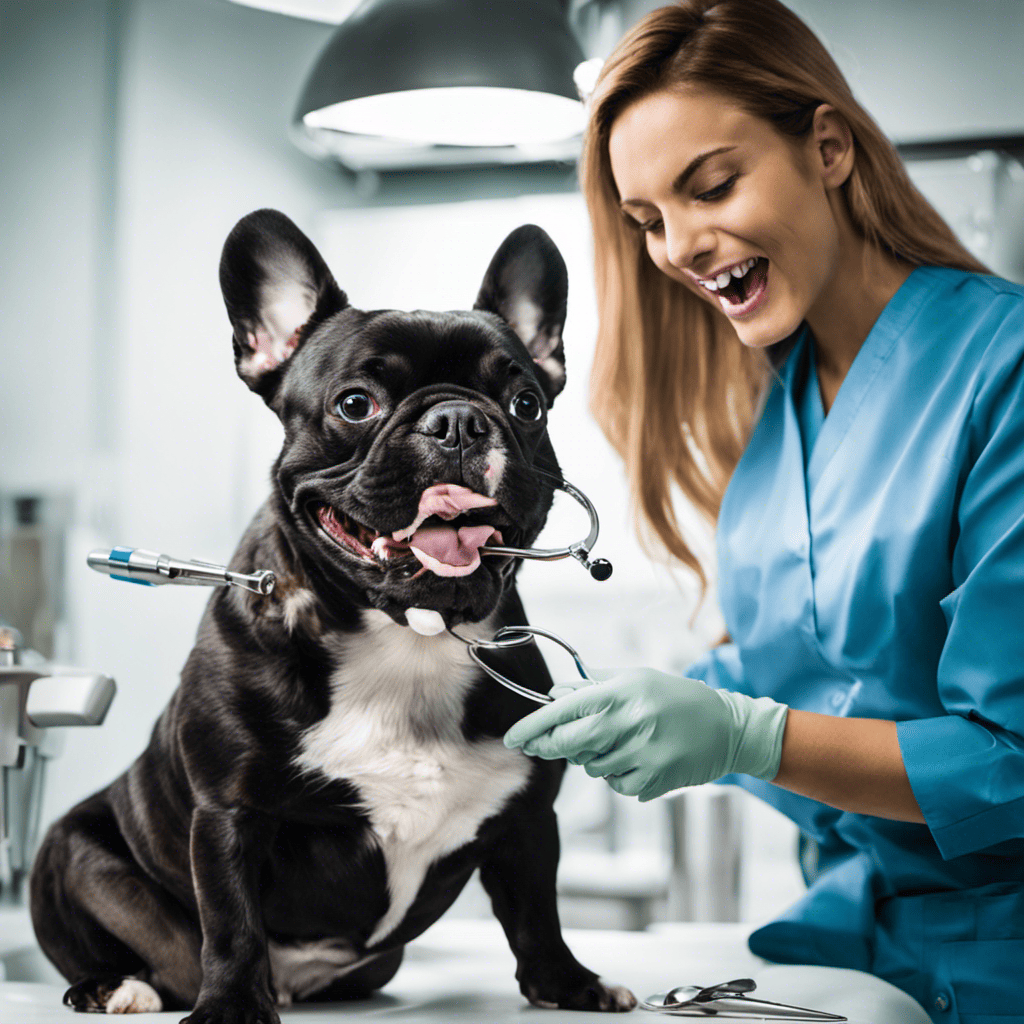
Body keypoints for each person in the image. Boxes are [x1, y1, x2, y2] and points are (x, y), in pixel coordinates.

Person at [502, 2, 1024, 1021]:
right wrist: (600, 699)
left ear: (826, 147)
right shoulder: (779, 410)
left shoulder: (999, 371)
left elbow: (1010, 760)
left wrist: (743, 733)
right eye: (647, 220)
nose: (681, 246)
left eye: (712, 186)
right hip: (850, 947)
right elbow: (810, 668)